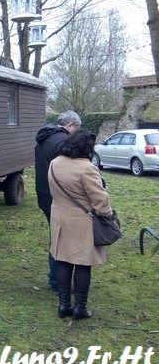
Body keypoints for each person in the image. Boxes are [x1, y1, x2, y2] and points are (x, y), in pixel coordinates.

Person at [48, 129, 112, 319]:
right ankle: (80, 308)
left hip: (59, 219)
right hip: (82, 222)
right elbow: (100, 200)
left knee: (63, 261)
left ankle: (64, 305)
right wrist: (107, 214)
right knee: (83, 264)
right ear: (87, 148)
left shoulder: (55, 163)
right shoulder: (87, 168)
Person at [34, 110, 81, 292]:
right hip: (58, 198)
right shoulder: (63, 141)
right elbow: (70, 171)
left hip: (44, 194)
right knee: (61, 240)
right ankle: (57, 282)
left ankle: (56, 279)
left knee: (56, 237)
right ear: (70, 125)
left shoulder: (44, 138)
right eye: (76, 129)